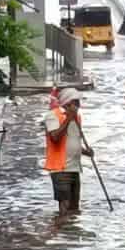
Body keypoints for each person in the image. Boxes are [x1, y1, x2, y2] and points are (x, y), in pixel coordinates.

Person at [43, 87, 91, 215]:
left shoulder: (77, 117)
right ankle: (61, 230)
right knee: (65, 204)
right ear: (68, 103)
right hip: (61, 169)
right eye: (76, 102)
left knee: (74, 207)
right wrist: (68, 119)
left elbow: (71, 142)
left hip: (74, 168)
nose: (79, 106)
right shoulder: (53, 115)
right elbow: (55, 137)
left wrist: (86, 151)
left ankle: (70, 233)